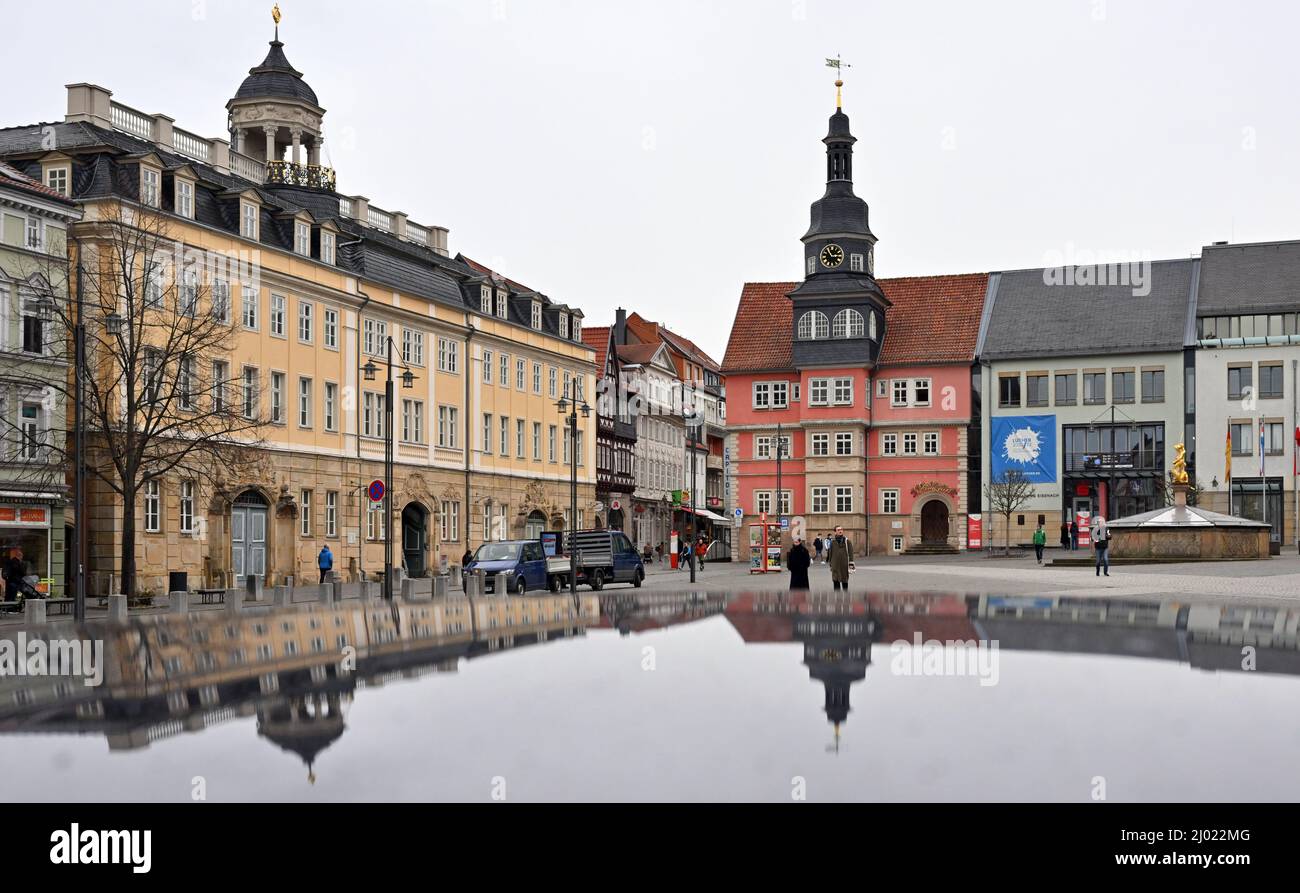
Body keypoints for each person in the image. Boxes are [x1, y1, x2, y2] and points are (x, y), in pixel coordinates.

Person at [827, 526, 853, 591]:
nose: (840, 531)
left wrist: (851, 563)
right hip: (835, 565)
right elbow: (830, 553)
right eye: (838, 530)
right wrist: (830, 564)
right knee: (836, 581)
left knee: (845, 582)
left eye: (841, 529)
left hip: (844, 565)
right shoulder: (832, 542)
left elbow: (851, 553)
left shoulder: (847, 541)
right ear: (835, 532)